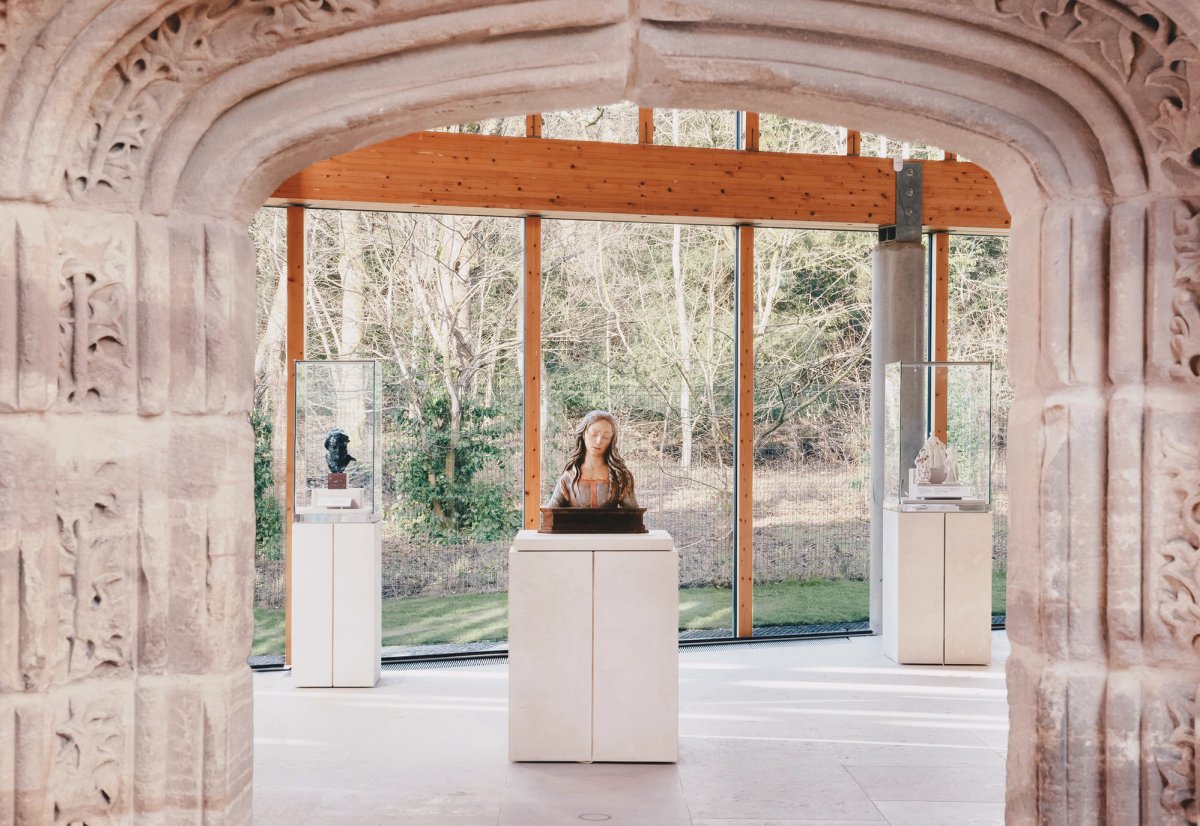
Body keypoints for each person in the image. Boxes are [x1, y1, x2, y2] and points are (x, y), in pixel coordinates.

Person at [547, 410, 638, 508]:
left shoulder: (620, 477)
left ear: (612, 440)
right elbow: (550, 516)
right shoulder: (569, 477)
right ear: (583, 434)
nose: (599, 441)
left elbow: (634, 517)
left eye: (606, 437)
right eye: (594, 434)